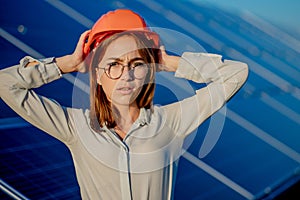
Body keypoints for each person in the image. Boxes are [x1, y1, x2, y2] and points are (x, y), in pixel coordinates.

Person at [0, 9, 248, 200]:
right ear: (96, 74)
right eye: (113, 64)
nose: (126, 76)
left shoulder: (172, 121)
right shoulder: (75, 126)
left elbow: (236, 73)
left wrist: (169, 62)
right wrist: (69, 63)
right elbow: (5, 84)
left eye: (136, 65)